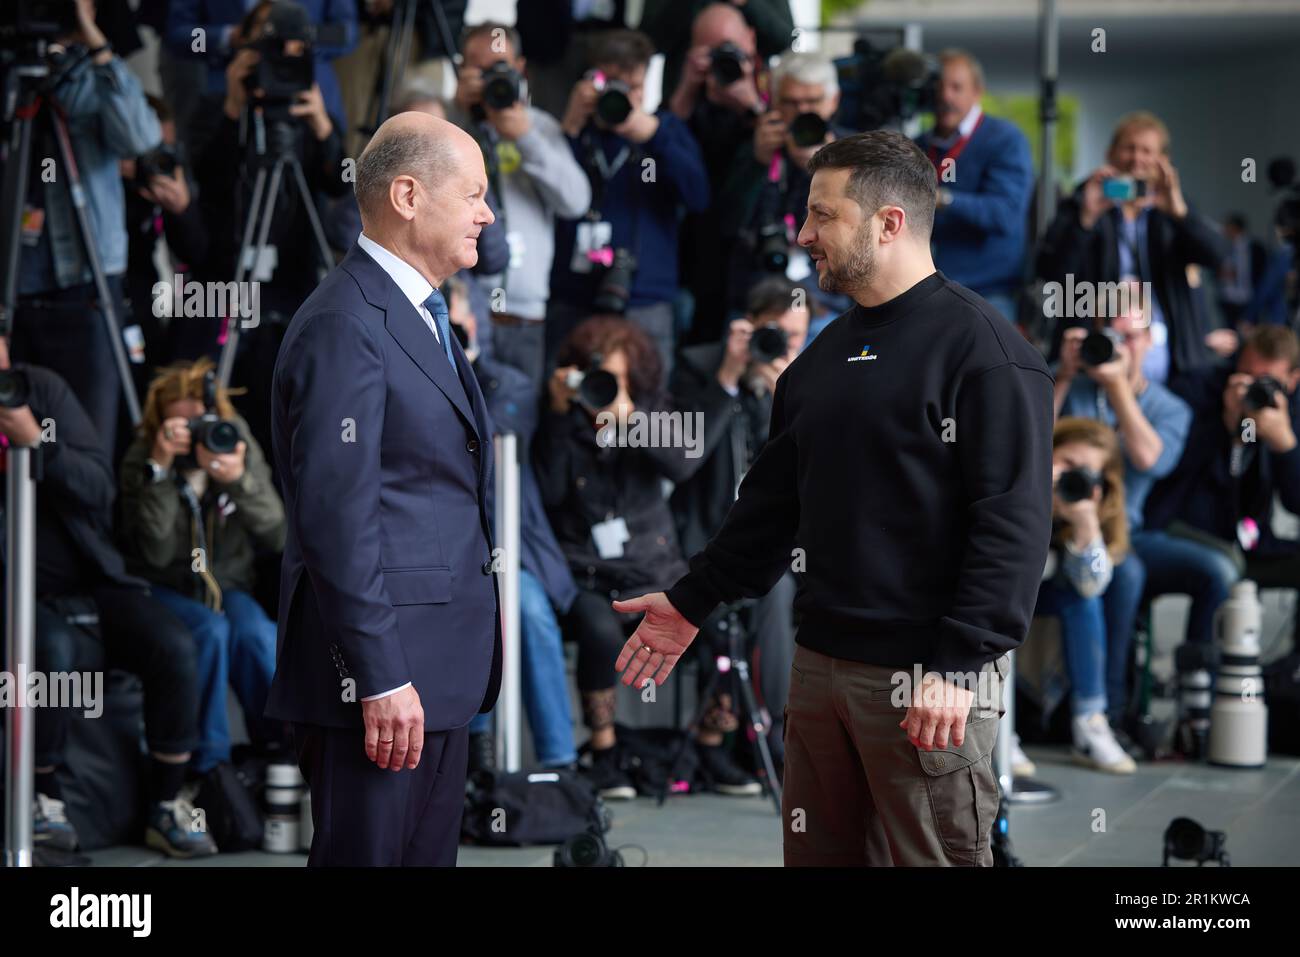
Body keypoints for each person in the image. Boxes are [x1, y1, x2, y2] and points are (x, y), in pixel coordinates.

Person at [614, 131, 1055, 866]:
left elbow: (1012, 523)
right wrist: (691, 599)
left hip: (927, 675)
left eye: (824, 215)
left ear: (888, 222)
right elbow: (768, 511)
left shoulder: (987, 351)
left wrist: (957, 663)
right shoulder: (819, 358)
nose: (804, 233)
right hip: (819, 667)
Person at [266, 111, 501, 867]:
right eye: (472, 194)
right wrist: (380, 673)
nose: (486, 213)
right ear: (407, 195)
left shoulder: (421, 314)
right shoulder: (345, 322)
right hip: (381, 677)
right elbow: (337, 516)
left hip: (434, 671)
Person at [0, 335, 214, 859]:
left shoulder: (41, 392)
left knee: (174, 643)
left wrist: (37, 444)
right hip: (15, 595)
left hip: (87, 580)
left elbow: (98, 486)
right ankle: (42, 800)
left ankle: (167, 804)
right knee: (47, 651)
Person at [536, 316, 758, 798]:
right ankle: (605, 748)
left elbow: (684, 461)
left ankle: (711, 743)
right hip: (589, 575)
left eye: (614, 381)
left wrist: (629, 417)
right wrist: (558, 413)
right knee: (595, 627)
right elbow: (550, 492)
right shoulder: (562, 420)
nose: (601, 391)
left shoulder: (648, 414)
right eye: (594, 379)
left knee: (720, 622)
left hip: (652, 569)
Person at [118, 357, 288, 774]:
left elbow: (278, 534)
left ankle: (285, 751)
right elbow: (154, 553)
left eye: (200, 424)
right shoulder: (144, 456)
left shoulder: (233, 442)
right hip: (163, 587)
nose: (196, 437)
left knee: (254, 635)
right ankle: (210, 766)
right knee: (209, 632)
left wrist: (236, 480)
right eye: (182, 429)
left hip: (227, 584)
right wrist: (159, 470)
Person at [10, 0, 162, 460]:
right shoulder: (13, 72)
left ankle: (93, 531)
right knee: (20, 444)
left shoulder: (94, 75)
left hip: (89, 283)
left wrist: (92, 39)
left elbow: (141, 139)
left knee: (87, 446)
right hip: (18, 286)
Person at [670, 276, 811, 767]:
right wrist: (727, 378)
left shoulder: (802, 381)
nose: (782, 347)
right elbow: (683, 458)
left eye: (796, 339)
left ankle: (776, 734)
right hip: (702, 535)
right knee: (754, 591)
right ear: (748, 328)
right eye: (774, 334)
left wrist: (788, 402)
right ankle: (741, 737)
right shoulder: (698, 366)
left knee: (778, 592)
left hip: (777, 544)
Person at [549, 29, 709, 376]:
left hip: (645, 298)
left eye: (633, 86)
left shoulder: (664, 130)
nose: (624, 96)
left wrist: (653, 136)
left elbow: (697, 197)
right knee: (566, 402)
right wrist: (572, 126)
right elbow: (549, 192)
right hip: (576, 295)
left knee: (648, 416)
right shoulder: (577, 134)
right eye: (613, 84)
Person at [445, 21, 592, 388]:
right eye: (478, 68)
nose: (490, 77)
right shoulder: (446, 129)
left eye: (500, 67)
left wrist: (523, 137)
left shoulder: (539, 127)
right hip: (463, 309)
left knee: (517, 432)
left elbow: (576, 201)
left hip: (525, 316)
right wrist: (458, 114)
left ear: (521, 68)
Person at [1037, 111, 1230, 383]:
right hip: (1096, 339)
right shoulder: (1084, 199)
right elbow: (1050, 274)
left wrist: (1180, 214)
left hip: (1169, 349)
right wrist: (1086, 220)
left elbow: (1220, 256)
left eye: (1147, 151)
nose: (1137, 159)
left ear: (1163, 160)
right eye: (1129, 148)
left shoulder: (1173, 208)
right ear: (1111, 153)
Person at [1147, 326, 1300, 644]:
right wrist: (1225, 423)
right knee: (1222, 569)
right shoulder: (1198, 386)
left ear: (1292, 380)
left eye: (1267, 381)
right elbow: (1166, 469)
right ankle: (1201, 680)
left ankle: (1291, 673)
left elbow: (1295, 502)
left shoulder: (1290, 412)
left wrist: (1285, 445)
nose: (1254, 388)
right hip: (1183, 528)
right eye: (1246, 375)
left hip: (1251, 539)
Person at [1036, 418, 1138, 774]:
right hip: (999, 598)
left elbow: (1091, 583)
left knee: (1084, 599)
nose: (1070, 477)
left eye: (1085, 473)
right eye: (1066, 464)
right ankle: (1001, 732)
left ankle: (1090, 721)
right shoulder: (1017, 486)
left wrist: (1083, 522)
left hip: (1047, 596)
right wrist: (1039, 505)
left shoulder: (1091, 509)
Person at [718, 51, 850, 320]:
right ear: (773, 102)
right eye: (790, 102)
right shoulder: (750, 146)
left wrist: (822, 170)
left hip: (827, 305)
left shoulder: (852, 154)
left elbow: (857, 233)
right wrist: (757, 162)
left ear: (833, 101)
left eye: (812, 101)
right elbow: (725, 225)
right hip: (755, 302)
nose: (802, 112)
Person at [914, 49, 1033, 323]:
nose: (945, 96)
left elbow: (1005, 214)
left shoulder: (1005, 139)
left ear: (977, 92)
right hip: (926, 290)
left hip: (988, 293)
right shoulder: (919, 143)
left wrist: (943, 199)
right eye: (938, 87)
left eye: (956, 87)